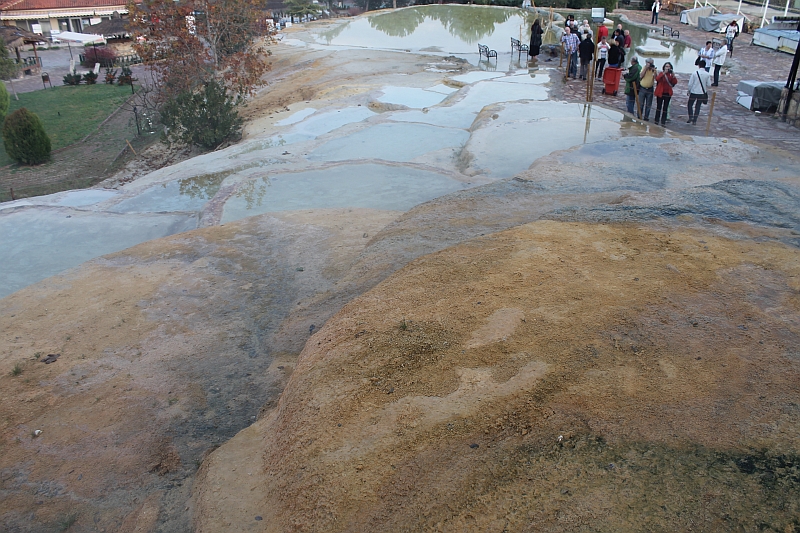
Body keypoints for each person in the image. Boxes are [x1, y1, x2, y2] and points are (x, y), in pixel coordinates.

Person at [687, 60, 711, 124]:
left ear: (699, 65)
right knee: (698, 106)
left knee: (690, 104)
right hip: (702, 93)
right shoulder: (707, 74)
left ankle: (690, 116)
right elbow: (709, 84)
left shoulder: (695, 73)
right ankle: (695, 120)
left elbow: (690, 84)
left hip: (694, 91)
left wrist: (688, 90)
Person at [654, 61, 678, 126]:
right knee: (658, 107)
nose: (668, 68)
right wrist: (664, 73)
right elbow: (657, 79)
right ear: (664, 67)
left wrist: (673, 75)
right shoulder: (661, 73)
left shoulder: (670, 75)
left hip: (667, 93)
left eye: (669, 67)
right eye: (666, 66)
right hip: (660, 93)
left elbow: (675, 82)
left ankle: (663, 121)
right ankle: (656, 120)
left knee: (665, 108)